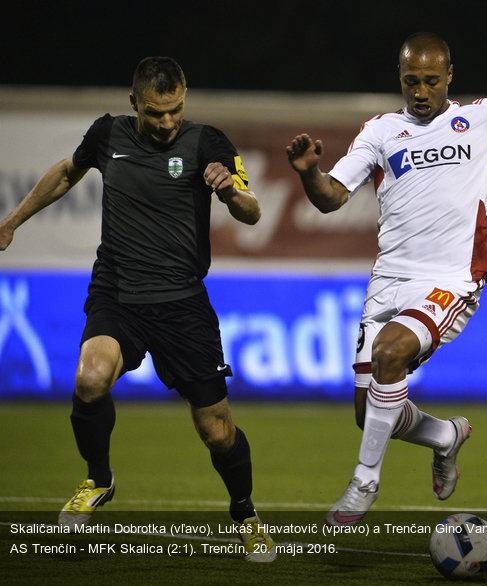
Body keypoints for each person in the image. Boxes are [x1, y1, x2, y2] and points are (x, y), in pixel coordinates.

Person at [286, 32, 487, 526]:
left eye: (431, 81)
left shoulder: (485, 119)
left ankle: (364, 482)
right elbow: (332, 197)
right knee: (370, 415)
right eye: (411, 81)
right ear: (400, 79)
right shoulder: (381, 132)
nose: (421, 91)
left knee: (389, 354)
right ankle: (445, 436)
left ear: (450, 76)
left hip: (452, 276)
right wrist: (308, 173)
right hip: (389, 281)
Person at [0, 57, 276, 562]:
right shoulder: (108, 135)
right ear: (134, 104)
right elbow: (67, 173)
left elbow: (253, 210)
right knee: (89, 378)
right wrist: (12, 220)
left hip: (182, 304)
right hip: (118, 292)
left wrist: (230, 190)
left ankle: (246, 513)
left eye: (175, 111)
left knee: (216, 431)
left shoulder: (208, 143)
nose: (168, 123)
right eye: (156, 114)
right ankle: (98, 479)